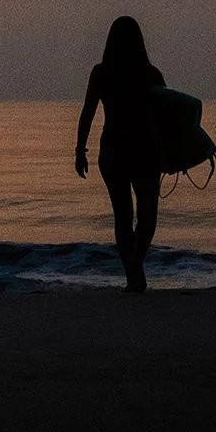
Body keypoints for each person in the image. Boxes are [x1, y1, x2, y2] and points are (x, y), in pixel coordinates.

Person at [75, 15, 166, 293]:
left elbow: (87, 114)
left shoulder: (104, 73)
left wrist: (81, 150)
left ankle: (133, 269)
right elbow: (167, 119)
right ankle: (134, 269)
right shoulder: (149, 74)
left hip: (115, 151)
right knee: (146, 217)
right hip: (142, 152)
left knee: (124, 216)